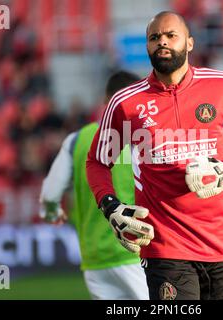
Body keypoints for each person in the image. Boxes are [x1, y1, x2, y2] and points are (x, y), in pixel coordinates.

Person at [86, 11, 223, 300]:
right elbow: (98, 161)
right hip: (163, 244)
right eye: (154, 37)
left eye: (171, 35)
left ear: (189, 43)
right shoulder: (125, 103)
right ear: (147, 47)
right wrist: (111, 207)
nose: (162, 41)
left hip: (222, 241)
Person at [39, 71, 149, 300]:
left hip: (95, 262)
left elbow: (49, 195)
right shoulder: (146, 138)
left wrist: (53, 213)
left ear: (105, 102)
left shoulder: (76, 140)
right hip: (139, 253)